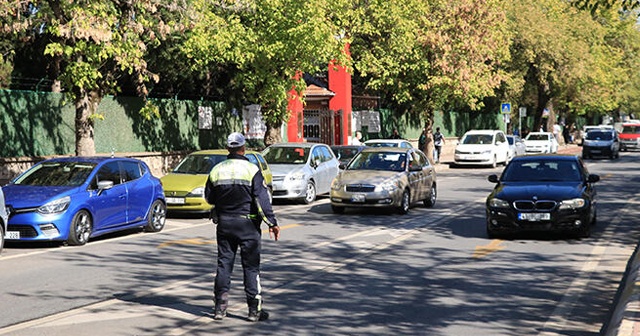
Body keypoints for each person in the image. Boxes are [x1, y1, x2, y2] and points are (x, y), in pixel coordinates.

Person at [205, 132, 280, 322]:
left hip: (225, 224)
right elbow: (262, 200)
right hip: (248, 226)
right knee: (251, 268)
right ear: (243, 148)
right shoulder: (252, 170)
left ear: (228, 149)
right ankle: (254, 311)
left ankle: (219, 309)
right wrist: (272, 223)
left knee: (224, 265)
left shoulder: (216, 170)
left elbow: (209, 198)